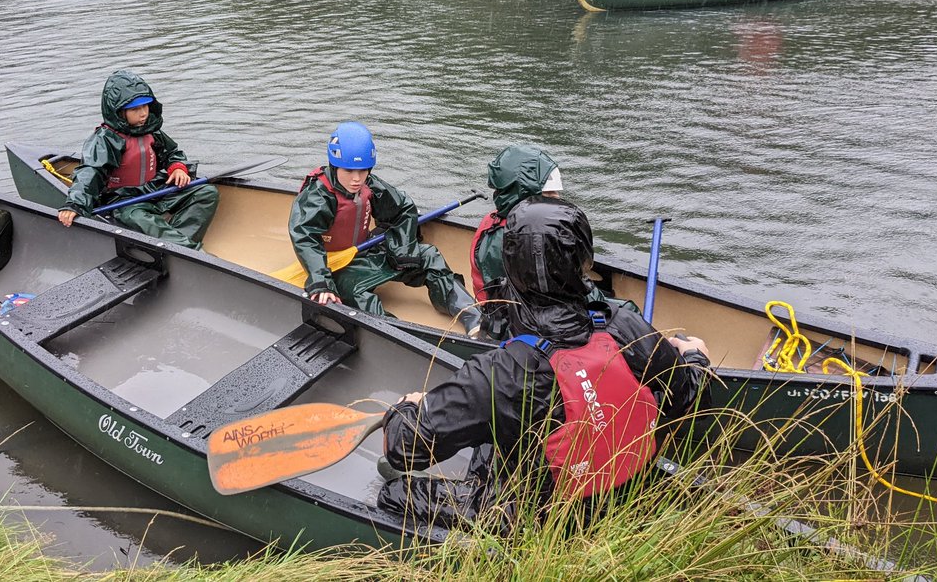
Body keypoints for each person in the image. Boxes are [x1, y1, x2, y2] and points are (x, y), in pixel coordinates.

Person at [378, 196, 711, 529]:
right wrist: (696, 356)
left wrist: (407, 408)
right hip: (629, 490)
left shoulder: (501, 373)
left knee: (394, 492)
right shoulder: (625, 324)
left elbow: (405, 449)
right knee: (498, 425)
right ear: (583, 260)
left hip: (541, 519)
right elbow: (687, 397)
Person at [288, 122, 483, 336]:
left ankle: (472, 316)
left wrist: (403, 250)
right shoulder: (319, 196)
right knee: (355, 293)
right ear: (335, 166)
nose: (356, 179)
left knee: (428, 255)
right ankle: (406, 336)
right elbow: (305, 237)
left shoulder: (369, 185)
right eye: (349, 171)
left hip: (363, 253)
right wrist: (320, 280)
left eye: (362, 171)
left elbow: (403, 209)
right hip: (333, 268)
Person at [471, 145, 634, 341]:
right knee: (628, 312)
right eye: (549, 194)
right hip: (525, 322)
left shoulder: (499, 224)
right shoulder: (516, 240)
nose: (557, 198)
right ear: (525, 194)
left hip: (524, 312)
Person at [57, 69, 219, 250]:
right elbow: (89, 172)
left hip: (154, 189)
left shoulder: (151, 131)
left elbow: (172, 153)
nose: (143, 114)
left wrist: (178, 167)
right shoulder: (105, 139)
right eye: (135, 109)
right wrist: (74, 204)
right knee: (140, 219)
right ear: (119, 112)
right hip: (123, 201)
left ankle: (177, 245)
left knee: (206, 193)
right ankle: (191, 251)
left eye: (146, 106)